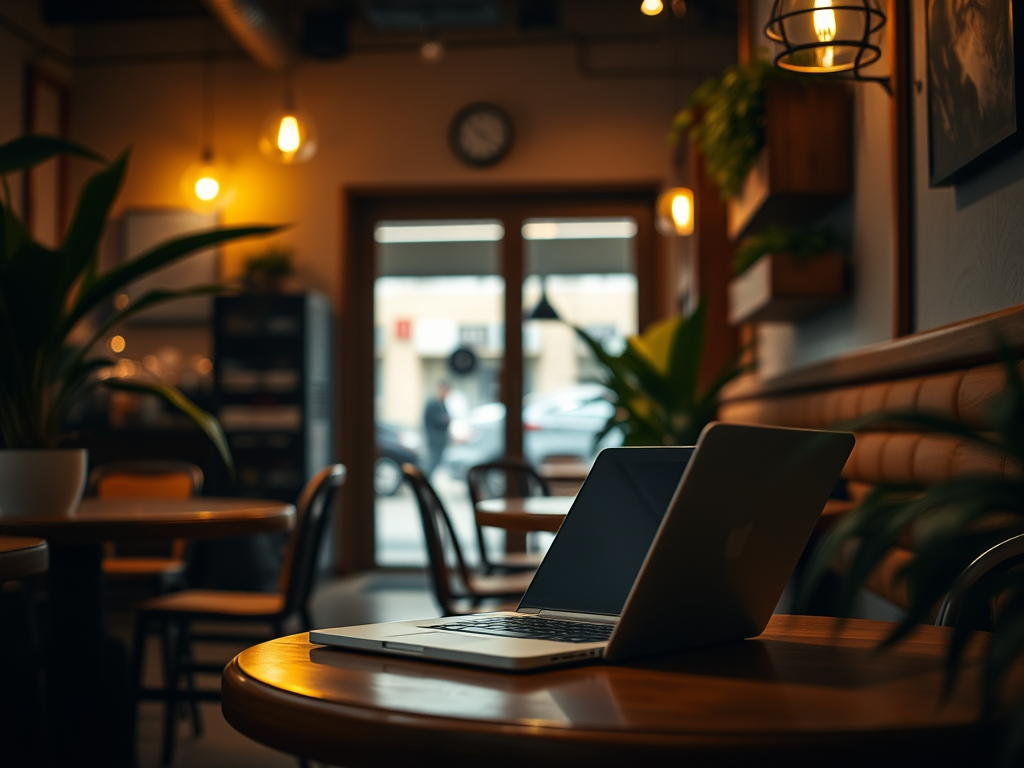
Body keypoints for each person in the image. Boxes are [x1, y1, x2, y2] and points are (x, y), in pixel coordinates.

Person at [423, 381, 451, 476]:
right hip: (434, 440)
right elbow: (437, 420)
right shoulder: (432, 403)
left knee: (437, 463)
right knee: (432, 463)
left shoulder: (442, 404)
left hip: (441, 440)